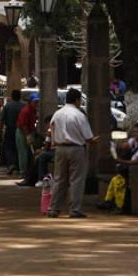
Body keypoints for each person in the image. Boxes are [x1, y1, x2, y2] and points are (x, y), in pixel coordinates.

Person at [47, 88, 98, 218]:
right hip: (76, 149)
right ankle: (74, 209)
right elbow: (88, 137)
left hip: (60, 148)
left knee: (59, 179)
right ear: (77, 100)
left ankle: (54, 208)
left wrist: (54, 142)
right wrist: (94, 140)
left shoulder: (57, 113)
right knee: (76, 180)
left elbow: (51, 128)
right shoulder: (79, 115)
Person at [99, 123, 138, 214]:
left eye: (137, 132)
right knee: (115, 179)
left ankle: (120, 206)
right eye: (135, 132)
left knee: (119, 182)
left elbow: (137, 161)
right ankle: (108, 201)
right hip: (129, 170)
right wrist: (114, 145)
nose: (135, 134)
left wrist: (121, 161)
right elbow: (125, 145)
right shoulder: (136, 142)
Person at [15, 93, 39, 185]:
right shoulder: (26, 111)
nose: (37, 104)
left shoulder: (33, 111)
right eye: (35, 102)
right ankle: (23, 172)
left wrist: (33, 133)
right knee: (23, 153)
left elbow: (33, 123)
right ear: (30, 102)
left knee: (29, 153)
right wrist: (28, 135)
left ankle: (28, 171)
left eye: (37, 102)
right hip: (22, 132)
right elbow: (23, 125)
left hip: (29, 131)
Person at [0, 90, 25, 175]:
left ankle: (11, 164)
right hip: (21, 130)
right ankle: (18, 166)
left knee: (9, 148)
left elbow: (2, 119)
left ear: (12, 96)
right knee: (19, 148)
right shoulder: (23, 106)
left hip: (9, 129)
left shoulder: (7, 106)